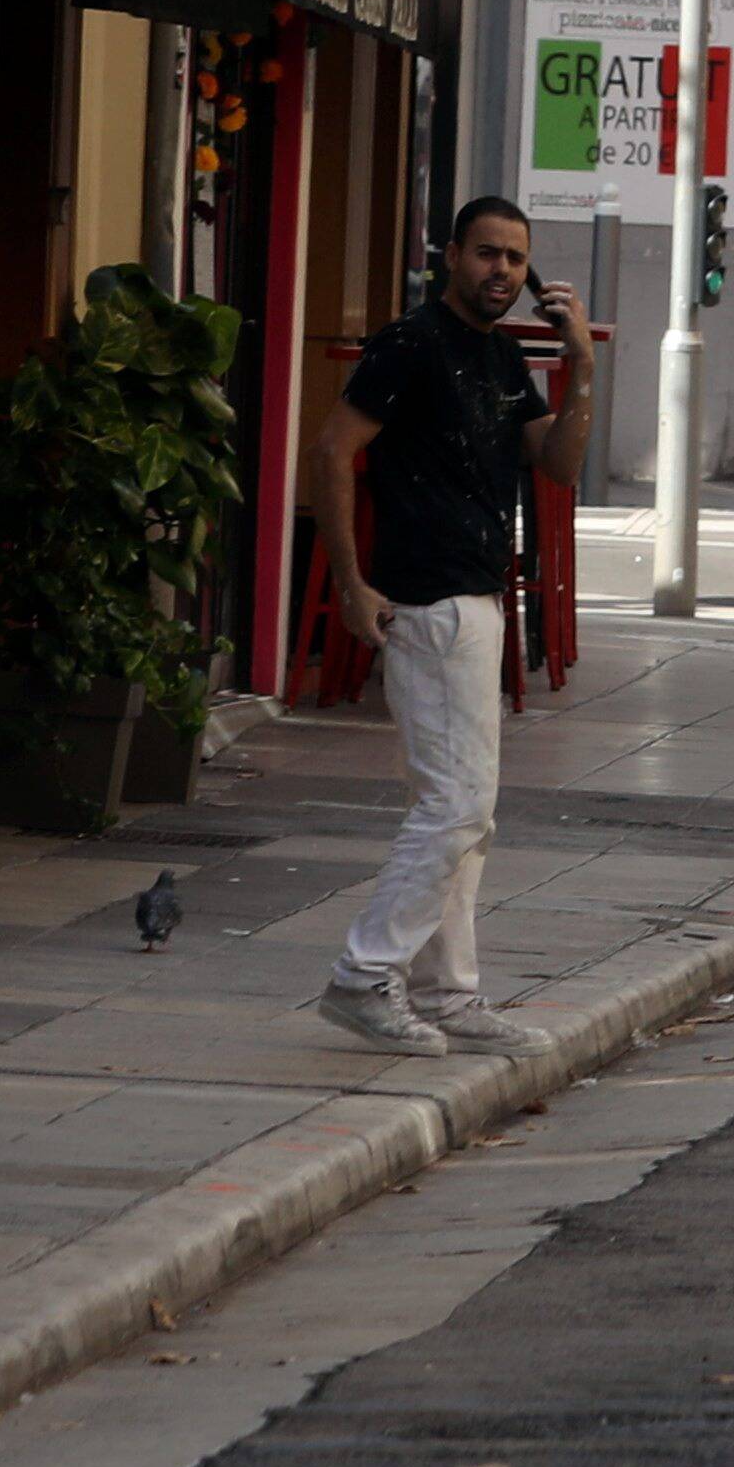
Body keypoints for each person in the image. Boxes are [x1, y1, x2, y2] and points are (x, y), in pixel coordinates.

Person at [303, 202, 596, 1058]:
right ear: (452, 257)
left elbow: (560, 464)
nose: (501, 272)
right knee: (455, 805)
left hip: (478, 599)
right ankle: (364, 975)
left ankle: (449, 993)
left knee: (469, 813)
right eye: (487, 254)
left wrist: (580, 361)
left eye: (516, 260)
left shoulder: (503, 357)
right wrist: (352, 582)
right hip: (425, 601)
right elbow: (331, 449)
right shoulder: (412, 343)